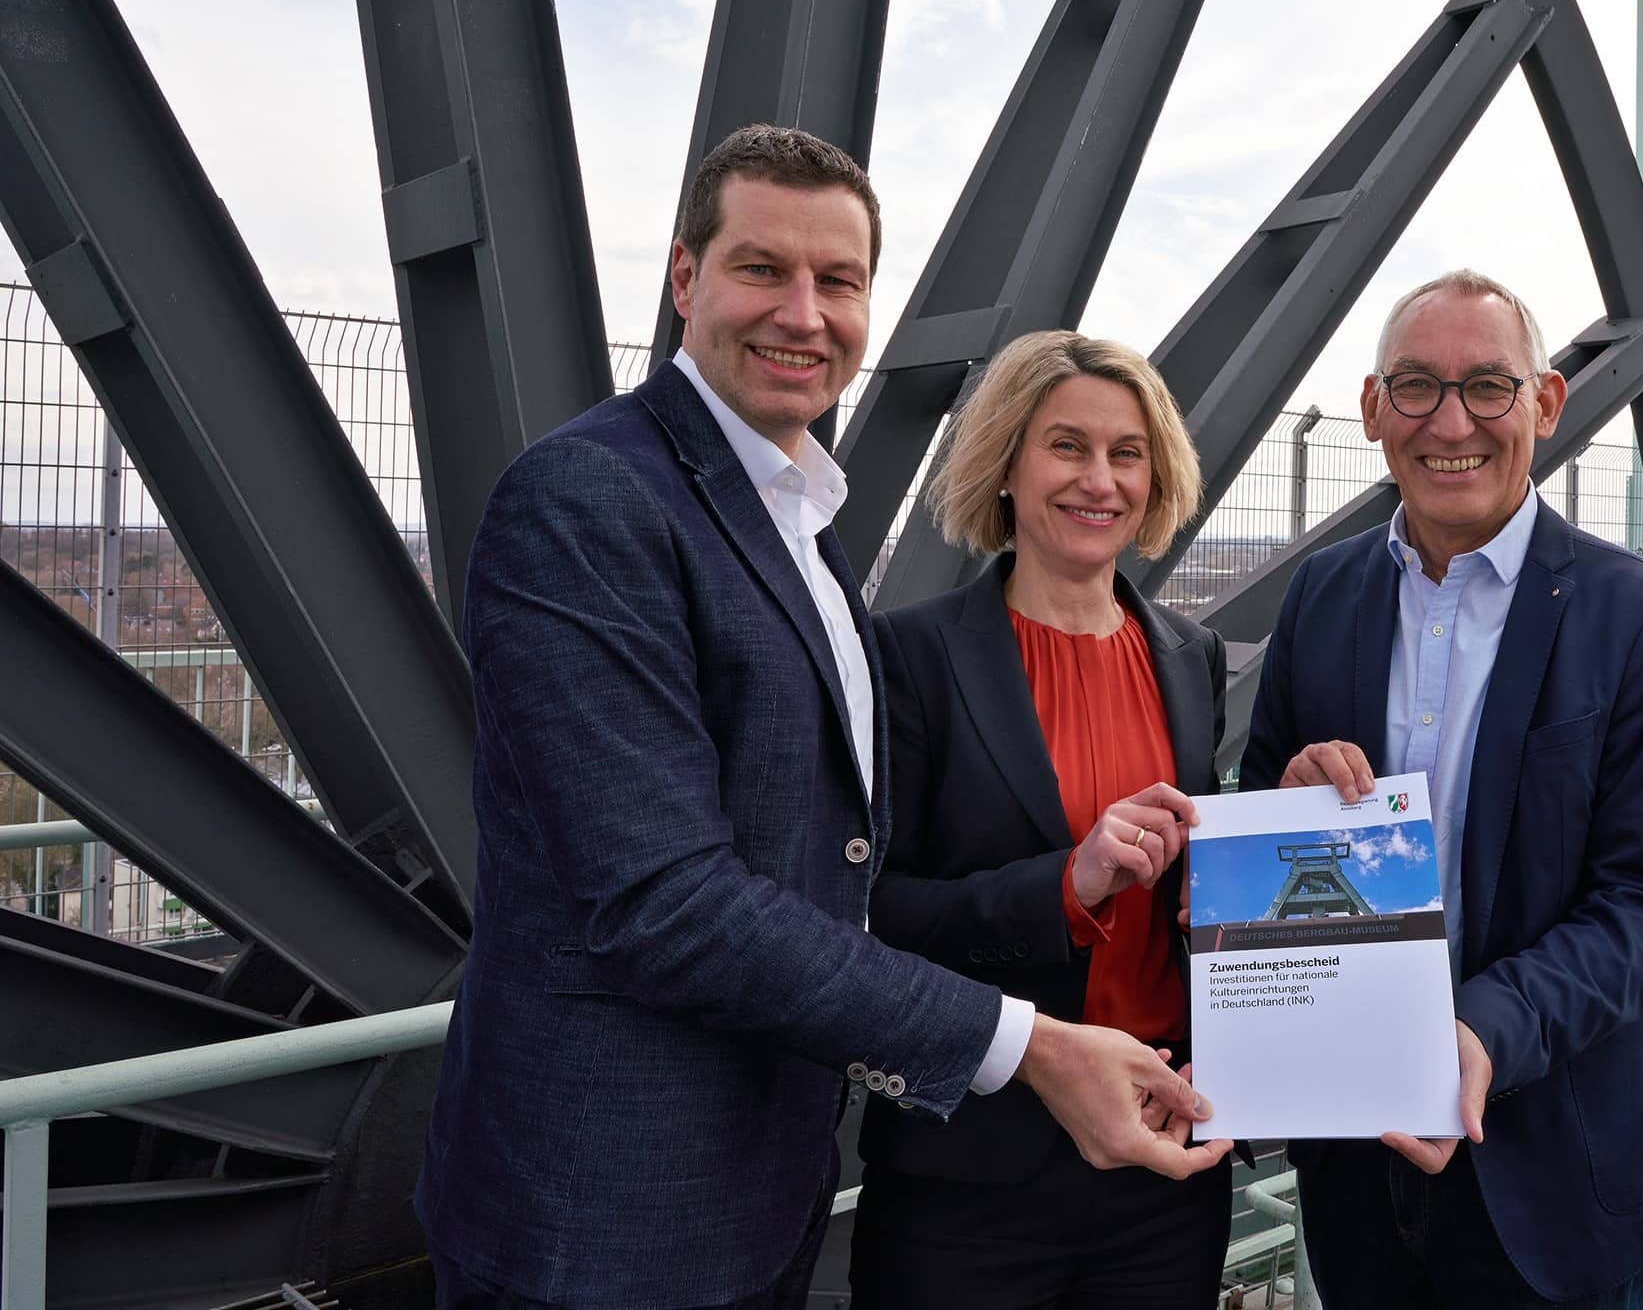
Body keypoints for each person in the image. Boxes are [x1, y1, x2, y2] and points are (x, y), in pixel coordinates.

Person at [414, 127, 1225, 1310]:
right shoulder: (589, 497)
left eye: (838, 282)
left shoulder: (799, 527)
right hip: (605, 1215)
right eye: (762, 270)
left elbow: (817, 869)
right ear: (685, 278)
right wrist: (1032, 1033)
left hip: (763, 1176)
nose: (804, 313)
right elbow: (663, 901)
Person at [1241, 269, 1643, 1309]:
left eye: (1488, 386)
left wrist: (1482, 1031)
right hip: (1356, 1159)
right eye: (1415, 386)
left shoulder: (1641, 620)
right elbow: (1257, 803)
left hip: (1544, 1177)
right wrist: (1288, 791)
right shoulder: (1322, 594)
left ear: (1544, 403)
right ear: (1371, 410)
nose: (1451, 420)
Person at [849, 330, 1234, 1307]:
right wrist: (1067, 886)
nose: (1098, 478)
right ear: (1008, 464)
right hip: (973, 1172)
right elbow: (874, 913)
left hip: (1162, 1156)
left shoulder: (1192, 658)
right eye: (1067, 445)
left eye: (1126, 451)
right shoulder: (910, 658)